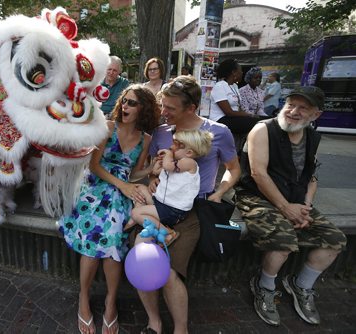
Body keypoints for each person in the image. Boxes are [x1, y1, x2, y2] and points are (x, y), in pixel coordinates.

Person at [136, 76, 240, 334]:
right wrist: (151, 178)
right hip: (160, 205)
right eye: (163, 105)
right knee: (144, 260)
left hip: (192, 211)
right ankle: (154, 322)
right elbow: (155, 168)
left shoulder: (217, 132)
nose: (163, 112)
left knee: (170, 271)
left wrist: (221, 191)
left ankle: (180, 329)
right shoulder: (161, 133)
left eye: (170, 108)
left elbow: (234, 169)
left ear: (191, 108)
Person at [235, 86, 347, 326]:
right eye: (290, 104)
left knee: (336, 239)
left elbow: (312, 178)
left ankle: (301, 285)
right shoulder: (263, 130)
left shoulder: (311, 137)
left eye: (303, 107)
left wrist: (305, 207)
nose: (294, 111)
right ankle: (264, 286)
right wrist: (286, 208)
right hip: (257, 197)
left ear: (316, 115)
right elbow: (258, 174)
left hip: (295, 200)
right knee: (284, 241)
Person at [59, 84, 159, 334]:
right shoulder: (108, 127)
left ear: (143, 108)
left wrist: (150, 170)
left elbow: (134, 171)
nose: (125, 106)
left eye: (132, 103)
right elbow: (94, 166)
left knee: (111, 238)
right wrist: (123, 186)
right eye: (124, 101)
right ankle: (84, 299)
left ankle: (110, 302)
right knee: (105, 238)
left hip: (122, 190)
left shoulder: (146, 139)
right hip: (96, 186)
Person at [126, 129, 213, 246]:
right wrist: (157, 164)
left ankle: (168, 234)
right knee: (139, 187)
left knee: (136, 213)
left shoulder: (189, 163)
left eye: (176, 146)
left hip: (172, 210)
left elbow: (168, 166)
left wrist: (167, 155)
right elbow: (157, 171)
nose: (171, 147)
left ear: (189, 153)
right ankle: (141, 218)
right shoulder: (175, 162)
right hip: (161, 202)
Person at [209, 59, 261, 136]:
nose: (242, 72)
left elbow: (238, 107)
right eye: (240, 70)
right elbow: (229, 112)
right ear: (233, 72)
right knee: (256, 124)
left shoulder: (235, 86)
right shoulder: (220, 86)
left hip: (233, 118)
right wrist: (248, 115)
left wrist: (249, 115)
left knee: (261, 120)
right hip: (221, 120)